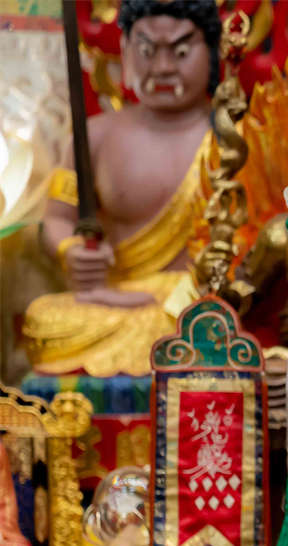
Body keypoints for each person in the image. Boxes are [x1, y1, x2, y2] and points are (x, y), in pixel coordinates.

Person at [23, 0, 220, 377]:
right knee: (43, 319)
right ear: (126, 51)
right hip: (119, 299)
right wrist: (70, 249)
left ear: (212, 51)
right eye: (146, 51)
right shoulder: (95, 136)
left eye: (180, 52)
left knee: (209, 321)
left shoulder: (238, 137)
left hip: (205, 302)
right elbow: (57, 219)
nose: (162, 68)